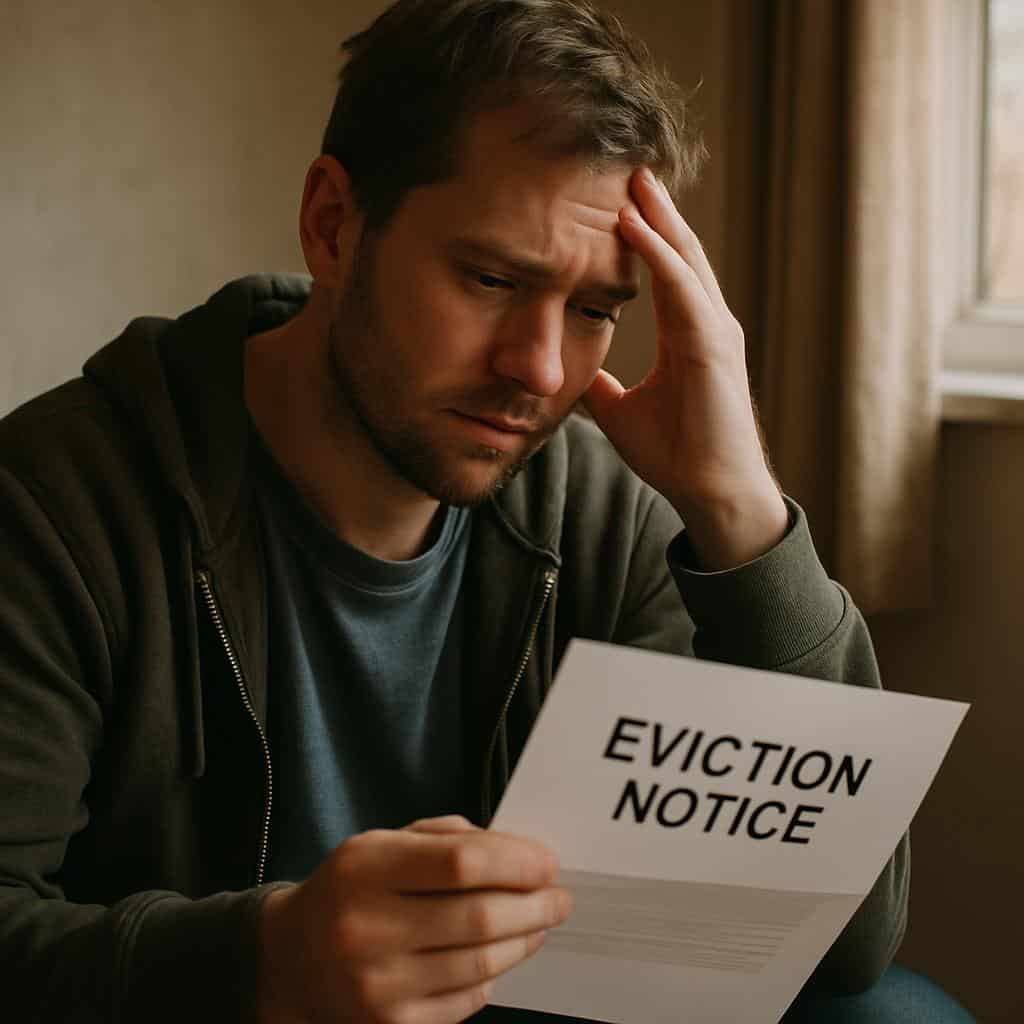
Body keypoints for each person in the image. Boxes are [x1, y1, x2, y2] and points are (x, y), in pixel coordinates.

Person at [0, 1, 930, 1021]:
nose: (538, 369)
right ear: (332, 224)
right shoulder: (55, 502)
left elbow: (843, 940)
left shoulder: (597, 509)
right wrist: (261, 958)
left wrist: (739, 504)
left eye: (593, 312)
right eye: (489, 278)